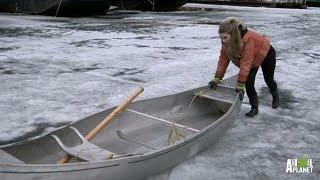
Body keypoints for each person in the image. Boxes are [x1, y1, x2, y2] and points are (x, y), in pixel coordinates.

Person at [208, 17, 279, 117]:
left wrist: (240, 83)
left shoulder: (247, 39)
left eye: (225, 38)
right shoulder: (226, 43)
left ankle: (275, 95)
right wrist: (217, 77)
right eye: (221, 38)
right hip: (251, 58)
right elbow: (223, 59)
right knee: (249, 82)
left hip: (266, 53)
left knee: (268, 79)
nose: (223, 41)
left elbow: (246, 62)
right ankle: (254, 108)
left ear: (233, 35)